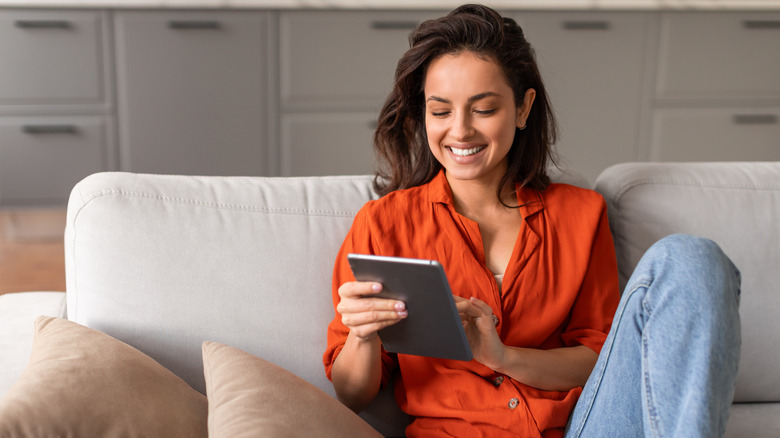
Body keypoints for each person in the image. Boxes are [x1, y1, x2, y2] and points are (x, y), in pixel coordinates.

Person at [323, 4, 741, 437]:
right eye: (441, 111)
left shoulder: (581, 214)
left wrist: (501, 356)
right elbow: (353, 394)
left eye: (483, 109)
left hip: (582, 428)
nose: (460, 131)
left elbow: (601, 358)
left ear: (523, 109)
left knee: (692, 257)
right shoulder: (384, 224)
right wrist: (363, 335)